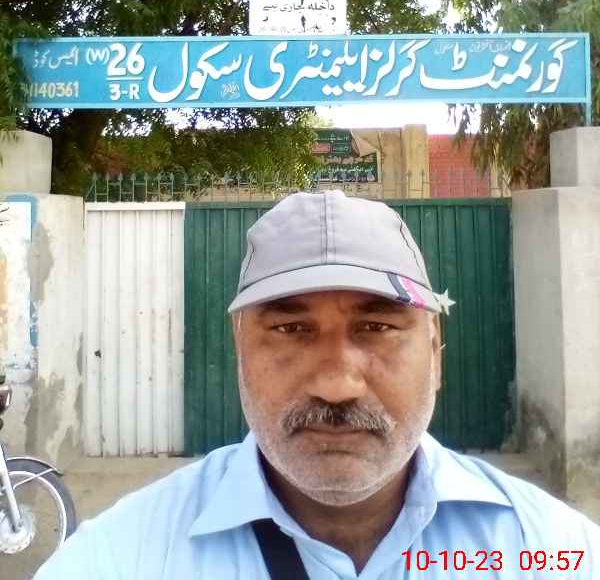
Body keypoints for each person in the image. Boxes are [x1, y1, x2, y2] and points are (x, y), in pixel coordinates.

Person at [35, 191, 598, 579]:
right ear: (240, 349)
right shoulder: (120, 558)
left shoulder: (552, 552)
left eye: (376, 327)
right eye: (291, 329)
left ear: (434, 350)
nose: (337, 385)